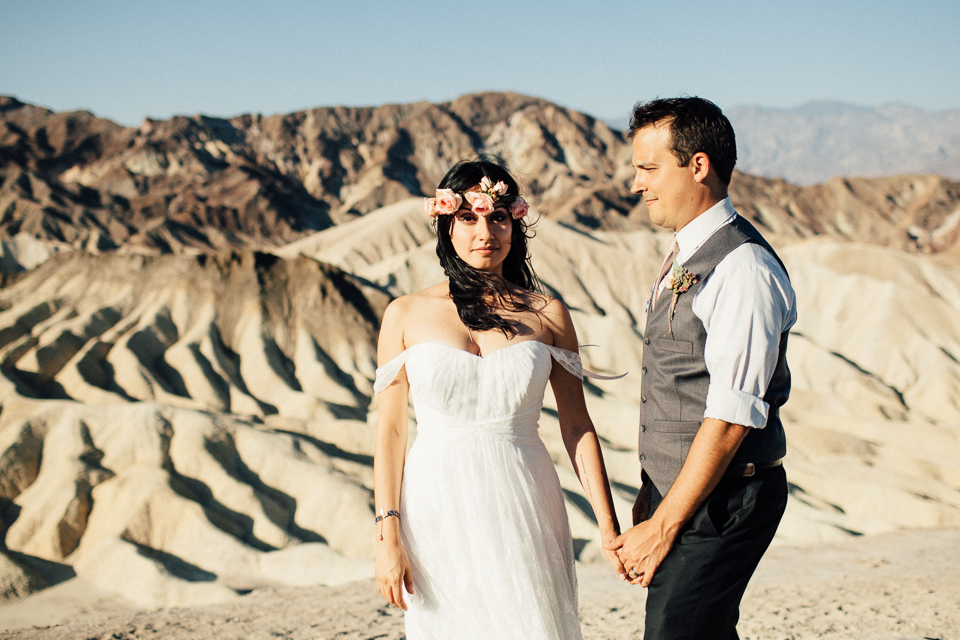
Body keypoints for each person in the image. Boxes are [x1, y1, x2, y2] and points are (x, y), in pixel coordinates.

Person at [373, 158, 624, 640]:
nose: (484, 231)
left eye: (497, 217)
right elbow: (390, 430)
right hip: (434, 508)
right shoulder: (404, 314)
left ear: (515, 224)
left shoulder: (547, 314)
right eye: (467, 217)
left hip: (526, 499)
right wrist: (388, 534)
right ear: (446, 225)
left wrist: (607, 528)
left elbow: (577, 426)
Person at [603, 97, 795, 640]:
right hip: (691, 493)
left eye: (648, 168)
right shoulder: (689, 252)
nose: (636, 184)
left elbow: (733, 414)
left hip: (726, 500)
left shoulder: (742, 268)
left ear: (698, 165)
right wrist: (654, 495)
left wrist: (665, 526)